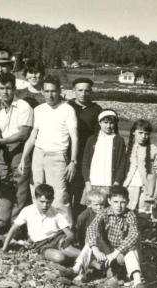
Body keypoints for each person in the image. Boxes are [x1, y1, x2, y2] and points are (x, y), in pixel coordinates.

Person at [61, 185, 145, 288]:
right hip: (107, 251)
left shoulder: (130, 215)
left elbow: (133, 236)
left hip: (121, 253)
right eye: (115, 201)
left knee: (131, 246)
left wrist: (115, 253)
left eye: (122, 202)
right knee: (91, 242)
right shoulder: (104, 212)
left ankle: (137, 281)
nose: (119, 206)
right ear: (109, 201)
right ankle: (76, 269)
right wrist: (95, 250)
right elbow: (92, 228)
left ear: (128, 202)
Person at [18, 75, 78, 225]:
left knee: (60, 196)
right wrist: (23, 158)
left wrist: (73, 161)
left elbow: (74, 138)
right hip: (38, 155)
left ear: (59, 91)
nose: (50, 95)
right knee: (37, 193)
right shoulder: (38, 109)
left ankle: (66, 234)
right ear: (42, 92)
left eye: (53, 91)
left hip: (58, 156)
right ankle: (40, 228)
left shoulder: (68, 109)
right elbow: (32, 137)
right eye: (46, 91)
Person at [0, 73, 33, 234]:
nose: (5, 92)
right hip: (3, 149)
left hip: (19, 148)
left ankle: (15, 224)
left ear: (14, 88)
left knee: (19, 186)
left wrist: (1, 141)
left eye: (9, 88)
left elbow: (24, 133)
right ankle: (2, 221)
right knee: (4, 184)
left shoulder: (24, 106)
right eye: (2, 88)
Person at [2, 184, 81, 264]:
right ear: (35, 198)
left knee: (68, 250)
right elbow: (13, 229)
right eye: (42, 202)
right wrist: (4, 249)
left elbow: (70, 233)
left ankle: (91, 263)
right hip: (41, 244)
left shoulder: (56, 213)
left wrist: (67, 239)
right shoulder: (28, 210)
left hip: (57, 238)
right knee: (59, 257)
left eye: (48, 202)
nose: (45, 205)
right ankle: (76, 262)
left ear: (52, 200)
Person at [67, 78, 102, 222]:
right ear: (74, 91)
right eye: (80, 90)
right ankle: (67, 222)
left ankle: (79, 223)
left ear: (91, 91)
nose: (83, 94)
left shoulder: (96, 109)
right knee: (66, 189)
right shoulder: (67, 107)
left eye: (87, 91)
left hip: (87, 156)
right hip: (67, 154)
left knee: (82, 190)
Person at [81, 109, 127, 203]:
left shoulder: (119, 140)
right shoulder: (92, 140)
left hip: (110, 184)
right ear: (99, 123)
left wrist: (116, 183)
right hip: (93, 183)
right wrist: (87, 183)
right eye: (105, 122)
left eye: (111, 123)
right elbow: (85, 163)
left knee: (108, 210)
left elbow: (123, 163)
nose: (108, 126)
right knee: (92, 209)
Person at [123, 119, 157, 219]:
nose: (143, 136)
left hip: (146, 191)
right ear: (133, 132)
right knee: (127, 217)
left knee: (142, 219)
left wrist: (156, 196)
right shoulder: (128, 148)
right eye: (140, 133)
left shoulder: (153, 149)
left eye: (146, 134)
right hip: (129, 188)